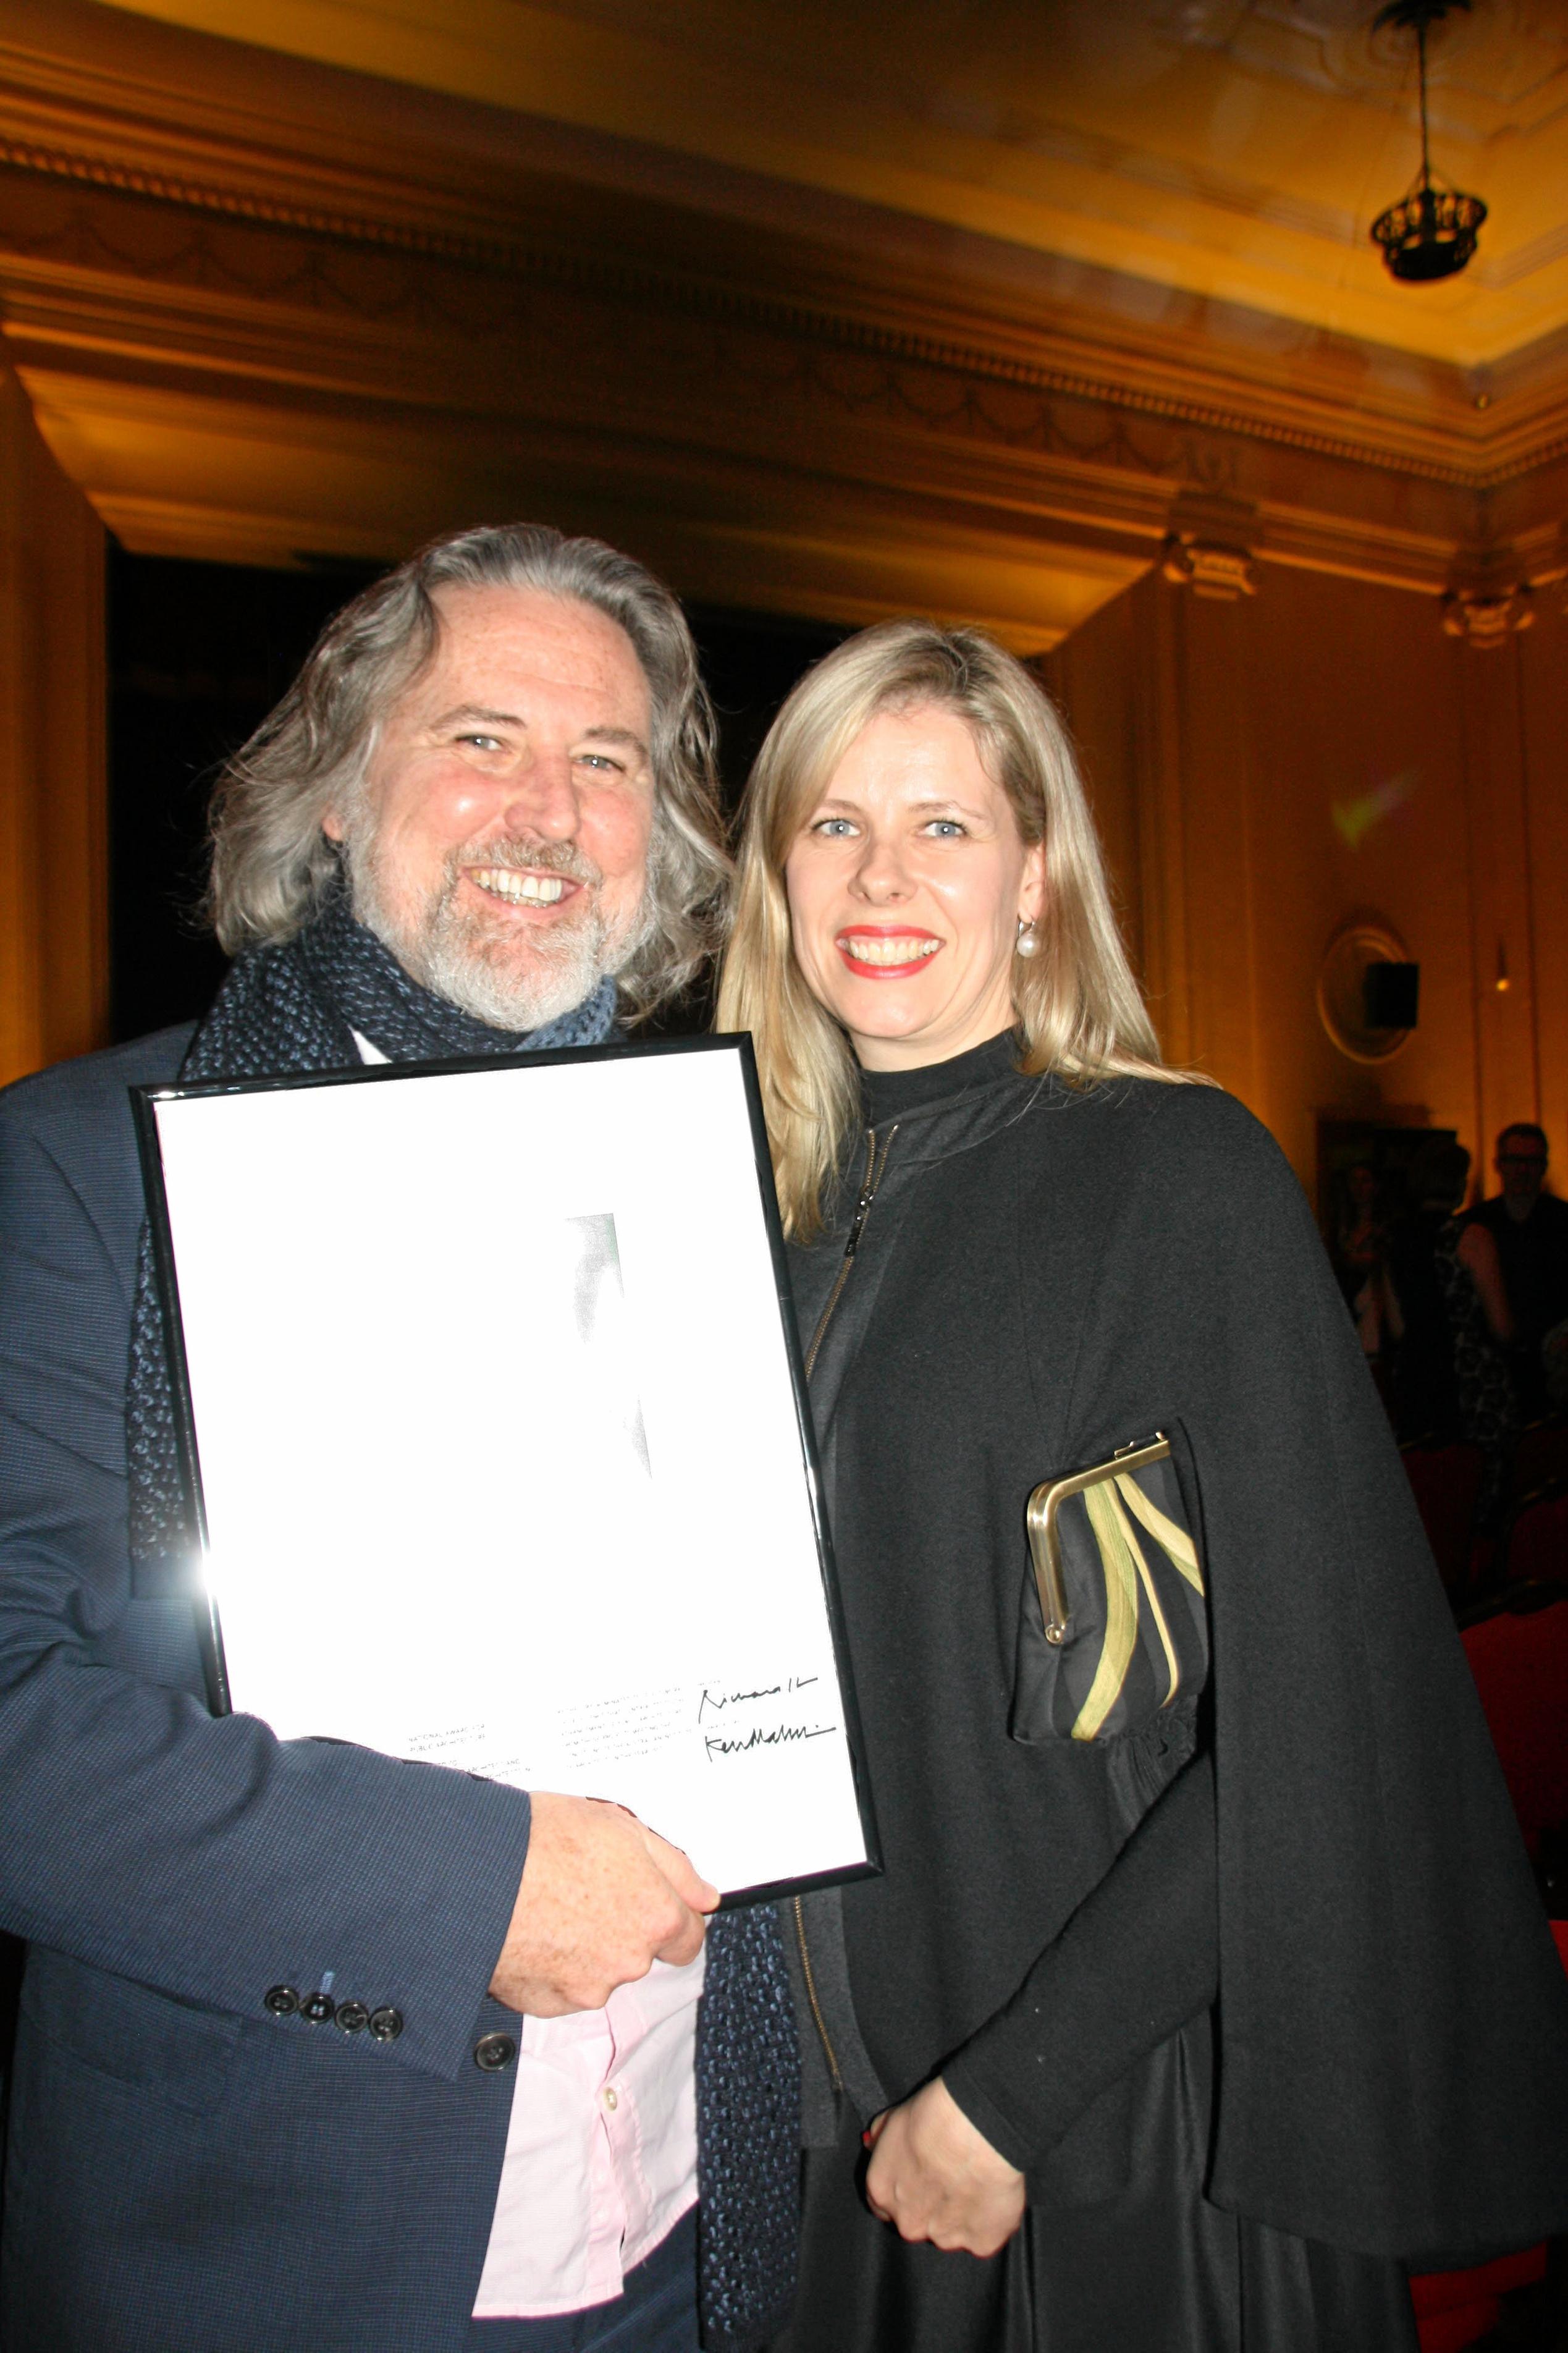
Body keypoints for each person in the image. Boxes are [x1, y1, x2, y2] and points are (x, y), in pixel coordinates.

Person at [715, 619, 1568, 2353]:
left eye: (944, 825)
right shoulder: (736, 1218)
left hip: (1103, 2140)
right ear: (774, 873)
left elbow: (1313, 1723)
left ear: (1036, 877)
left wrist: (1010, 2100)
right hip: (808, 2138)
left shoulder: (1175, 1174)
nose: (884, 876)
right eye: (834, 823)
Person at [0, 525, 798, 2353]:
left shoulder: (716, 1193)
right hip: (285, 2262)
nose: (546, 807)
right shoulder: (80, 1176)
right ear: (336, 796)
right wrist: (472, 1887)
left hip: (695, 2232)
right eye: (479, 737)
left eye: (606, 763)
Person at [1383, 1138, 1517, 1455]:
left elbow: (1398, 1328)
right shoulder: (1471, 1238)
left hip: (1416, 1381)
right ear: (1458, 1183)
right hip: (1470, 1382)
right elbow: (1501, 1326)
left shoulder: (1396, 1242)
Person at [1469, 1123, 1568, 1419]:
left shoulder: (1563, 1222)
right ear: (1500, 1165)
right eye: (1515, 1161)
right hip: (1492, 1367)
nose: (1523, 1170)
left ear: (1544, 1167)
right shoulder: (1477, 1225)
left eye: (1532, 1162)